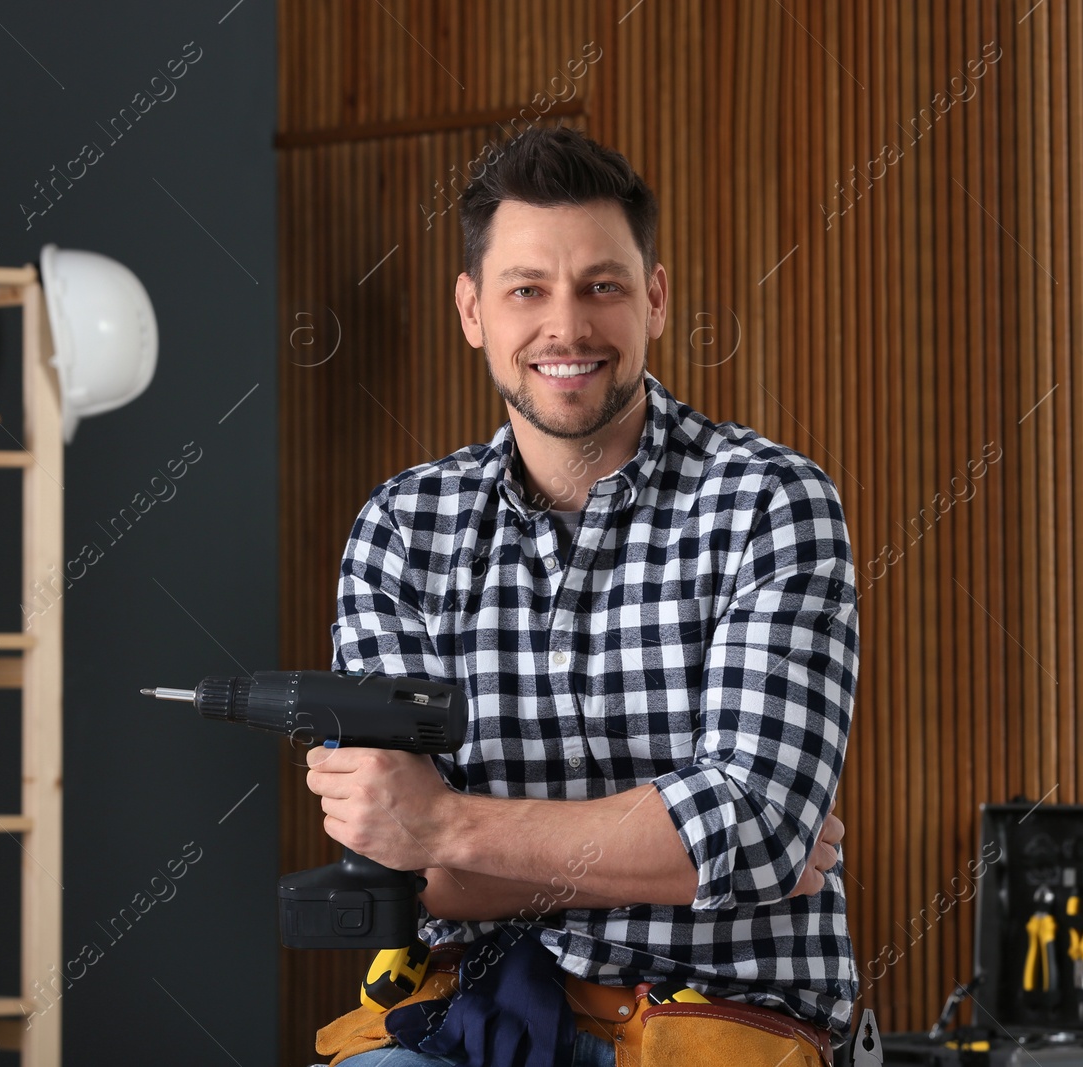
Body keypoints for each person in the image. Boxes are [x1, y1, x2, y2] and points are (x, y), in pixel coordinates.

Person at [306, 125, 859, 1067]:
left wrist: (449, 823)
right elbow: (393, 869)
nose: (566, 327)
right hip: (457, 1024)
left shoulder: (771, 500)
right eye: (528, 289)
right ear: (473, 309)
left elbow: (759, 828)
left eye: (602, 285)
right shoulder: (401, 527)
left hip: (721, 1020)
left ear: (655, 297)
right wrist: (693, 858)